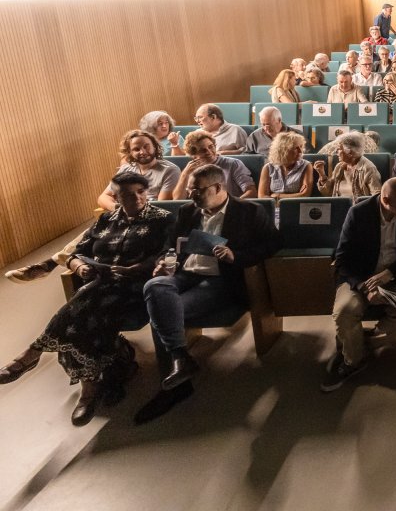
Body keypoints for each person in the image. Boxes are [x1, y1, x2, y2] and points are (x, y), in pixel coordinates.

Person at [0, 173, 170, 424]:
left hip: (136, 286)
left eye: (140, 192)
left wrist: (138, 268)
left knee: (81, 304)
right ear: (116, 197)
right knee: (83, 316)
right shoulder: (106, 220)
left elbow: (166, 254)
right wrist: (80, 267)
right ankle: (89, 387)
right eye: (126, 194)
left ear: (147, 192)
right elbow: (75, 253)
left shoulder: (162, 219)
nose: (135, 198)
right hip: (101, 283)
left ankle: (36, 356)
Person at [136, 164, 278, 422]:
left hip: (219, 280)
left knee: (162, 311)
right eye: (191, 190)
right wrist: (163, 261)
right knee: (154, 286)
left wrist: (236, 256)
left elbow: (273, 244)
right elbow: (170, 245)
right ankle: (180, 358)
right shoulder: (187, 211)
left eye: (197, 191)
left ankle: (175, 386)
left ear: (218, 187)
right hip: (183, 274)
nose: (191, 195)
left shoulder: (249, 211)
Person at [322, 178, 396, 392]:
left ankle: (358, 346)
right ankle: (353, 361)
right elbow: (342, 259)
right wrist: (364, 286)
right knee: (344, 312)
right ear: (386, 200)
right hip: (361, 276)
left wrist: (391, 273)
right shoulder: (358, 213)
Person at [172, 131, 255, 199]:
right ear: (194, 155)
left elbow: (251, 192)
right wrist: (185, 174)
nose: (208, 152)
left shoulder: (234, 164)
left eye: (211, 147)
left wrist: (231, 205)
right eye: (202, 150)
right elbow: (177, 199)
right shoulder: (190, 169)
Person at [315, 131, 382, 199]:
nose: (336, 152)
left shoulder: (369, 168)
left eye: (339, 149)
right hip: (339, 204)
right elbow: (328, 192)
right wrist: (322, 174)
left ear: (349, 152)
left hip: (359, 205)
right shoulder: (339, 167)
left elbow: (377, 196)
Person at [257, 130, 313, 200]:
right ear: (283, 151)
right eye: (296, 148)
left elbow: (304, 195)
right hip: (272, 206)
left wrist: (277, 196)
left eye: (301, 147)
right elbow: (262, 196)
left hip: (296, 205)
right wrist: (295, 195)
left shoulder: (306, 165)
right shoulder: (268, 167)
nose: (300, 151)